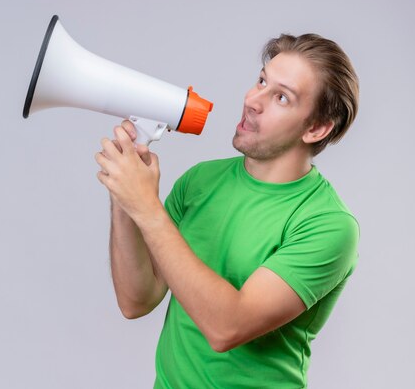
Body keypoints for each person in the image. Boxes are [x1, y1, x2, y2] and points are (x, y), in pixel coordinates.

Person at [95, 33, 359, 389]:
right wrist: (124, 196)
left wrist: (146, 206)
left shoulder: (328, 226)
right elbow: (136, 300)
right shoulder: (200, 181)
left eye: (281, 97)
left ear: (316, 128)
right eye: (261, 80)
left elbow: (227, 327)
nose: (253, 100)